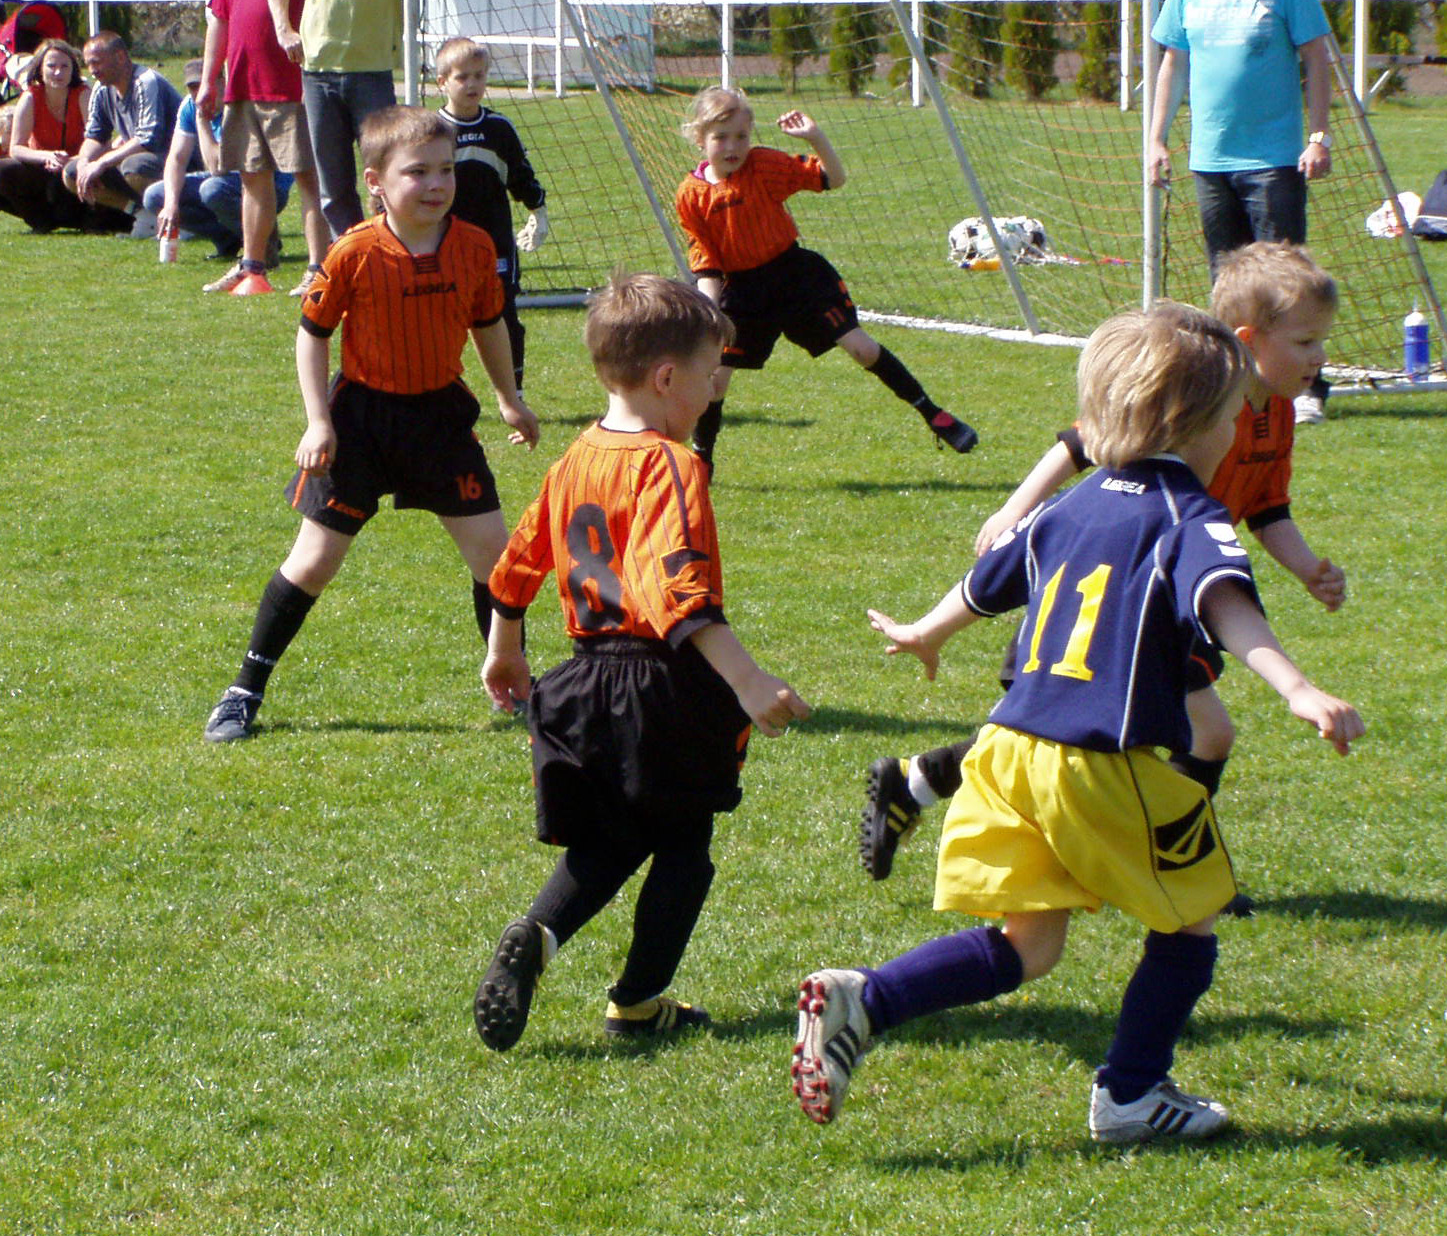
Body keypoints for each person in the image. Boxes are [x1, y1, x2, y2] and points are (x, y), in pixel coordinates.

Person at [789, 302, 1363, 1141]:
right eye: (1236, 418)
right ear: (1198, 424)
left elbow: (987, 583)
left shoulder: (1076, 501)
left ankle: (864, 1000)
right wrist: (1298, 689)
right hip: (1093, 764)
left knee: (1028, 945)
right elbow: (1227, 605)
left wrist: (924, 631)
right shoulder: (1188, 515)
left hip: (1003, 753)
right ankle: (1132, 1093)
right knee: (1191, 918)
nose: (1239, 434)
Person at [861, 243, 1346, 889]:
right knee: (1108, 739)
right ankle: (1174, 868)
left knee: (1095, 738)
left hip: (1172, 589)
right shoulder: (1182, 395)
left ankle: (915, 782)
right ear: (1248, 340)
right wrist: (1017, 510)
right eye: (1306, 341)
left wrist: (1307, 567)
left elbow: (1266, 507)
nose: (1318, 359)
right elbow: (1079, 443)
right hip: (1122, 589)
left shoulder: (1273, 414)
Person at [473, 271, 809, 1048]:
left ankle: (539, 936)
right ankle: (637, 1000)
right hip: (664, 678)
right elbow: (676, 588)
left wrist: (504, 646)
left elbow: (516, 565)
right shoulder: (672, 466)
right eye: (707, 374)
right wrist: (746, 677)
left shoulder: (573, 460)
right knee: (685, 847)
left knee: (616, 837)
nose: (713, 389)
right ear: (665, 378)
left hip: (585, 677)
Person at [201, 106, 540, 744]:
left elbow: (487, 323)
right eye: (419, 172)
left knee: (496, 561)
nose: (437, 184)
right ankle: (244, 690)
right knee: (314, 562)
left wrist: (508, 397)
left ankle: (514, 684)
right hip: (360, 422)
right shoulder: (354, 250)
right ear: (377, 180)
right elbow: (312, 337)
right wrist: (317, 421)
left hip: (440, 419)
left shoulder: (472, 246)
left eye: (446, 170)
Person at [674, 86, 978, 470]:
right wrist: (710, 311)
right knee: (715, 382)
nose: (733, 146)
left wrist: (815, 137)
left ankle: (934, 414)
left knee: (862, 349)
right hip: (743, 292)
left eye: (742, 136)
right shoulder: (691, 195)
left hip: (796, 277)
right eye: (721, 137)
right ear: (700, 139)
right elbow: (706, 259)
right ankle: (703, 462)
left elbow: (833, 179)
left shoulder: (764, 166)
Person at [1148, 0, 1336, 424]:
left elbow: (1316, 59)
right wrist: (1157, 138)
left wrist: (1318, 136)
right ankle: (1235, 387)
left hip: (1275, 160)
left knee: (1286, 283)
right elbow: (1173, 64)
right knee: (1226, 283)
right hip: (1211, 160)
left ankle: (1307, 389)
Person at [268, 0, 439, 239]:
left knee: (386, 172)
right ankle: (349, 254)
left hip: (372, 74)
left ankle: (388, 248)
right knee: (334, 183)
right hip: (318, 75)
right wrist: (285, 30)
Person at [199, 0, 331, 297]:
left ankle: (318, 268)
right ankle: (251, 267)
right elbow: (219, 18)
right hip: (242, 87)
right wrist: (209, 80)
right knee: (252, 180)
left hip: (293, 87)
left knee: (309, 178)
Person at [435, 36, 548, 392]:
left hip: (494, 240)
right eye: (462, 77)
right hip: (444, 241)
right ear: (442, 82)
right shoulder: (431, 131)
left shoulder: (499, 129)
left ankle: (514, 391)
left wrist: (538, 212)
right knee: (441, 316)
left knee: (504, 314)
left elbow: (520, 175)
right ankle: (438, 385)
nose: (472, 84)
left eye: (479, 76)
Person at [147, 57, 292, 261]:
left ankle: (265, 241)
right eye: (193, 87)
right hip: (226, 181)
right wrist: (170, 205)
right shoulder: (189, 105)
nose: (199, 93)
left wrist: (202, 121)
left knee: (213, 189)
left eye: (205, 84)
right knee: (155, 196)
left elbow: (217, 166)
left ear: (224, 81)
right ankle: (228, 240)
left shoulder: (238, 105)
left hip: (265, 186)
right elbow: (177, 159)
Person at [62, 32, 182, 234]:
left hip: (179, 163)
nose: (92, 71)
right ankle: (142, 214)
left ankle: (181, 219)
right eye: (88, 64)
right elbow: (95, 136)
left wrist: (101, 163)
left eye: (97, 63)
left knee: (135, 165)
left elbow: (148, 139)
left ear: (120, 57)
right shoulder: (102, 90)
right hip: (140, 161)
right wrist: (84, 162)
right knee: (72, 173)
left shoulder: (146, 82)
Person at [0, 40, 97, 233]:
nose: (58, 72)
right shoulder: (30, 98)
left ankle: (87, 218)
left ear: (73, 70)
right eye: (51, 66)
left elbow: (98, 141)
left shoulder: (83, 96)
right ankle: (40, 221)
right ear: (40, 69)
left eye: (64, 66)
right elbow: (16, 148)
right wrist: (48, 156)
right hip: (40, 170)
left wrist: (70, 160)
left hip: (77, 170)